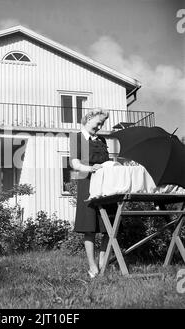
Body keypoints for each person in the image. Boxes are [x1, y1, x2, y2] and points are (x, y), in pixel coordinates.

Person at [70, 108, 115, 278]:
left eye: (103, 123)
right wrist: (90, 168)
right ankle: (92, 266)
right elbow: (75, 163)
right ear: (89, 118)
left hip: (105, 186)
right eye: (99, 122)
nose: (100, 126)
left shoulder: (102, 139)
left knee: (107, 226)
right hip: (87, 182)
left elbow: (106, 161)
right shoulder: (76, 137)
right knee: (89, 227)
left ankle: (103, 261)